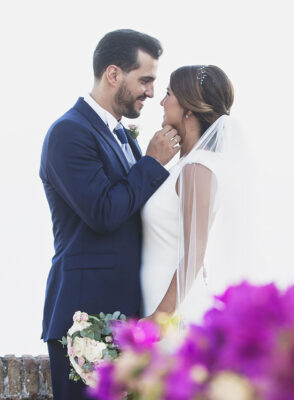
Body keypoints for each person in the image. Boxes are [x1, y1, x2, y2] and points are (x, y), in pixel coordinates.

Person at [38, 29, 181, 400]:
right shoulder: (68, 133)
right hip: (84, 322)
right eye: (145, 80)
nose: (151, 92)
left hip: (127, 319)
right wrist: (151, 163)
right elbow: (102, 212)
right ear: (113, 74)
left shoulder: (123, 135)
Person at [140, 65, 253, 331]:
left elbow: (195, 250)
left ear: (189, 108)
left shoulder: (197, 168)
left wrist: (160, 317)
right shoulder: (183, 166)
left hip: (174, 312)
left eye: (168, 94)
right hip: (158, 300)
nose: (162, 101)